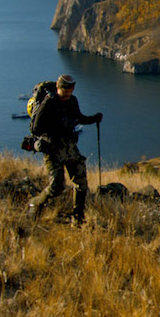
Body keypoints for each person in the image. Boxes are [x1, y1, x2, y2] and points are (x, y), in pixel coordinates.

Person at [28, 74, 102, 225]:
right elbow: (36, 128)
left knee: (81, 183)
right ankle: (35, 203)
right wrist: (57, 128)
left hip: (69, 147)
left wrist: (93, 118)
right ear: (58, 88)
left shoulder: (72, 101)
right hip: (53, 148)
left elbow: (79, 118)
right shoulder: (49, 102)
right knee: (57, 186)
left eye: (69, 91)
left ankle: (78, 218)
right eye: (64, 91)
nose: (67, 94)